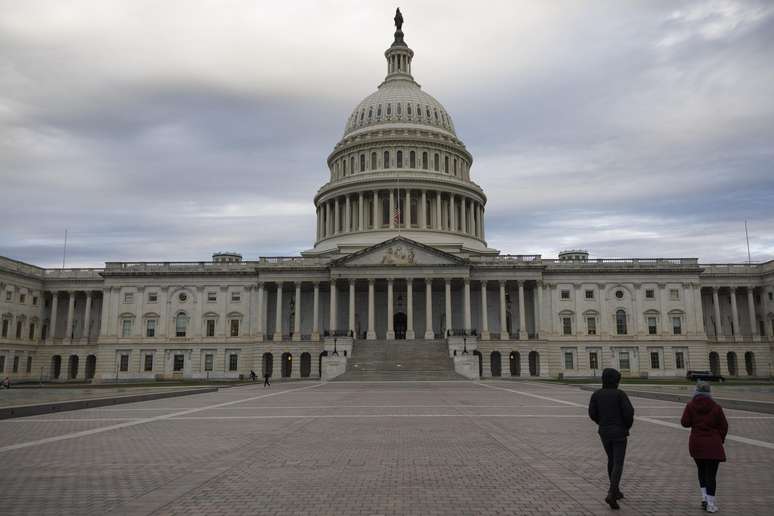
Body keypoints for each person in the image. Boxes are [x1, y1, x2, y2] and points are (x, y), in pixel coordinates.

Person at [588, 368, 634, 510]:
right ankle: (612, 493)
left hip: (605, 432)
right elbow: (629, 413)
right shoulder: (620, 394)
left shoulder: (597, 394)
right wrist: (626, 426)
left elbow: (592, 413)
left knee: (611, 460)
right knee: (618, 463)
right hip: (619, 432)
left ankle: (616, 490)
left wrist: (601, 423)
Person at [681, 381, 728, 513]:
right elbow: (724, 426)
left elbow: (684, 423)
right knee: (711, 475)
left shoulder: (690, 405)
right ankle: (711, 504)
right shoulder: (716, 407)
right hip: (713, 445)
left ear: (696, 391)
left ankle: (704, 497)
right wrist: (719, 439)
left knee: (701, 471)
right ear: (709, 392)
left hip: (696, 444)